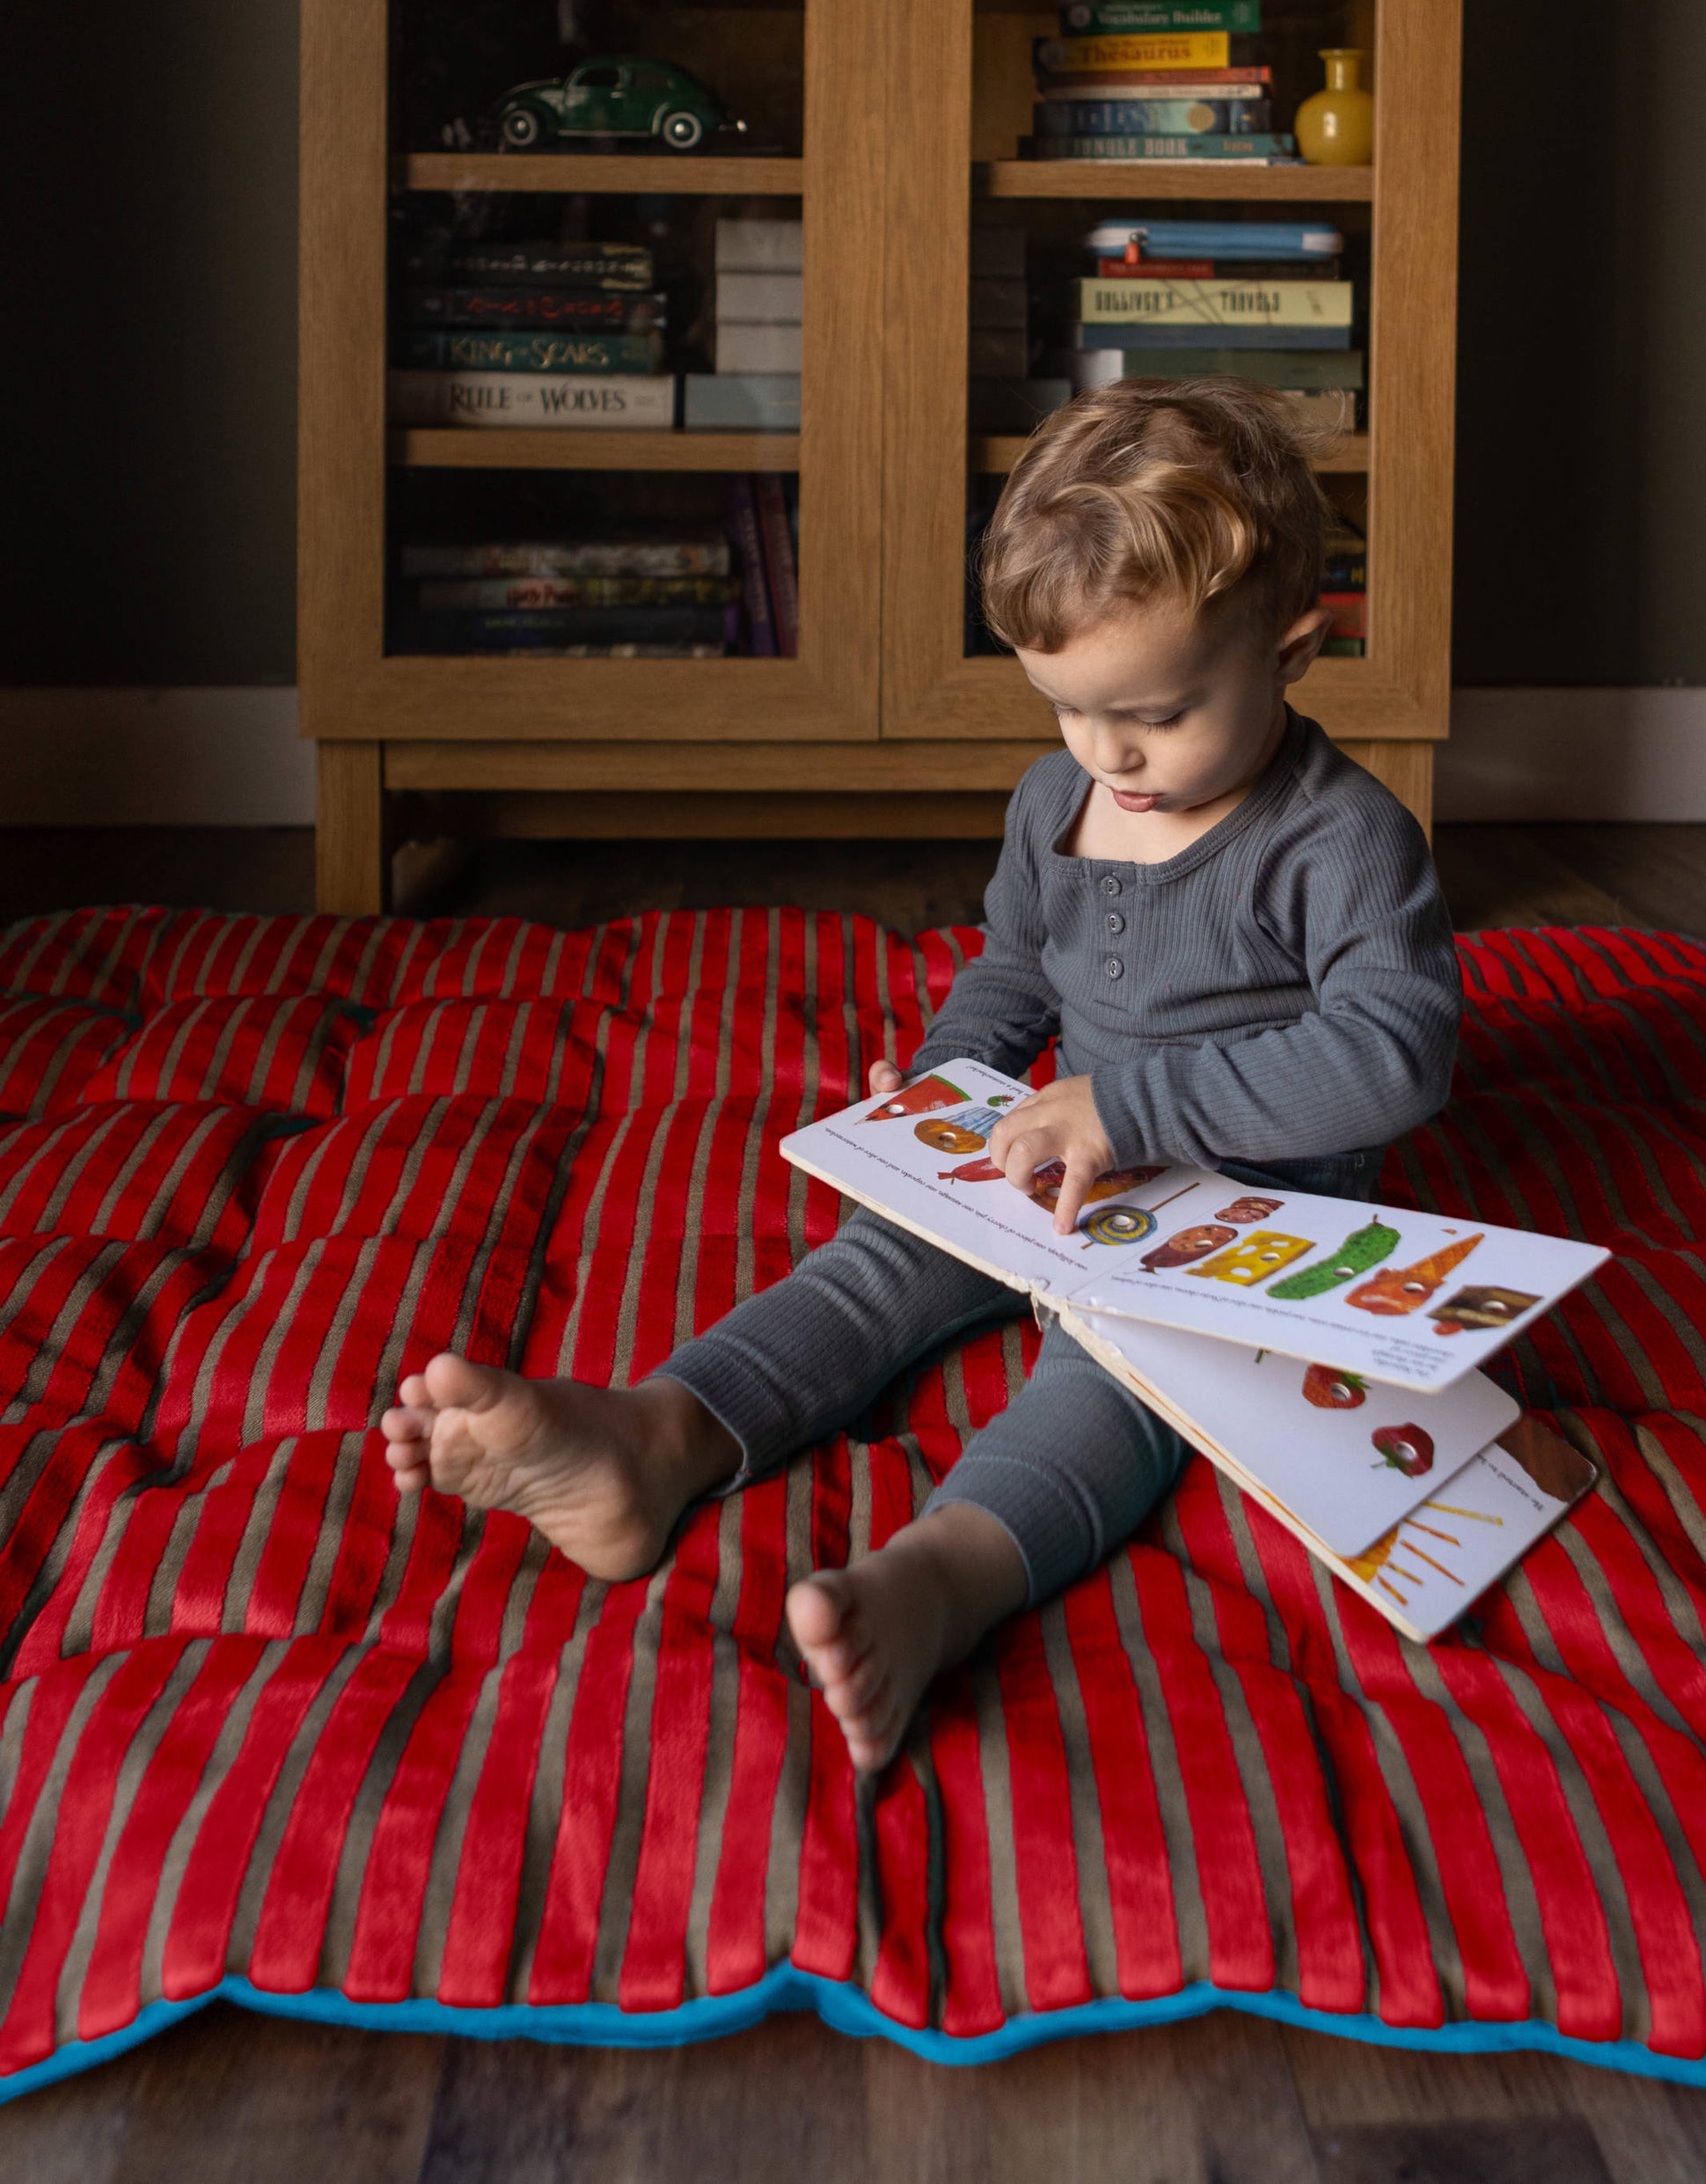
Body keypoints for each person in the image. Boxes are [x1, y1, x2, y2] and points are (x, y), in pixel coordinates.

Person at [381, 378, 1461, 1772]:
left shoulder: (1344, 838)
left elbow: (1397, 1052)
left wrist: (1132, 1106)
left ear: (1295, 650)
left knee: (1116, 1381)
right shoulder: (1056, 798)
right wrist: (948, 1090)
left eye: (1159, 713)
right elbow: (1018, 971)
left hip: (1244, 1214)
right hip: (1066, 1156)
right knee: (874, 1262)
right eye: (1070, 710)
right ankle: (653, 1439)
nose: (1111, 755)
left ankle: (938, 1578)